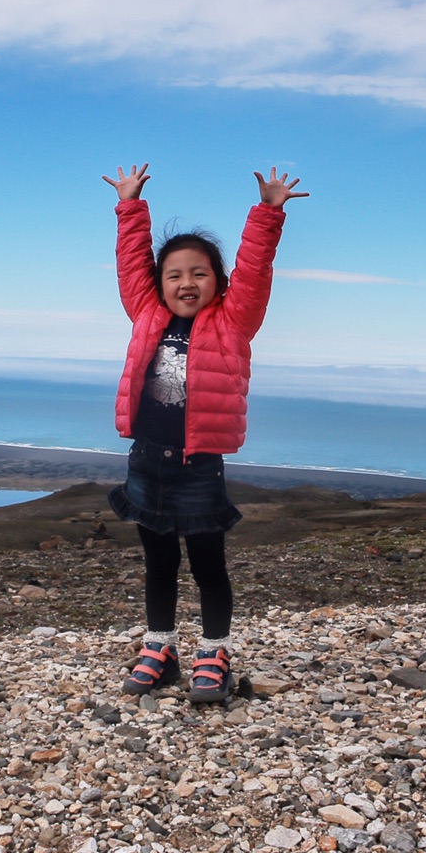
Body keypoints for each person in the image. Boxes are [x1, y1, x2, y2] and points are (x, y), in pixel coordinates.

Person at [101, 162, 307, 703]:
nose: (186, 282)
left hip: (199, 466)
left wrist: (268, 212)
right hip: (145, 460)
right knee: (159, 562)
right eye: (174, 274)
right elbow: (131, 267)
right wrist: (129, 206)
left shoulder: (234, 319)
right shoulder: (145, 312)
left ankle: (214, 651)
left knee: (209, 565)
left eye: (199, 273)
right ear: (159, 283)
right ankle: (160, 648)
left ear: (217, 281)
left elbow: (256, 270)